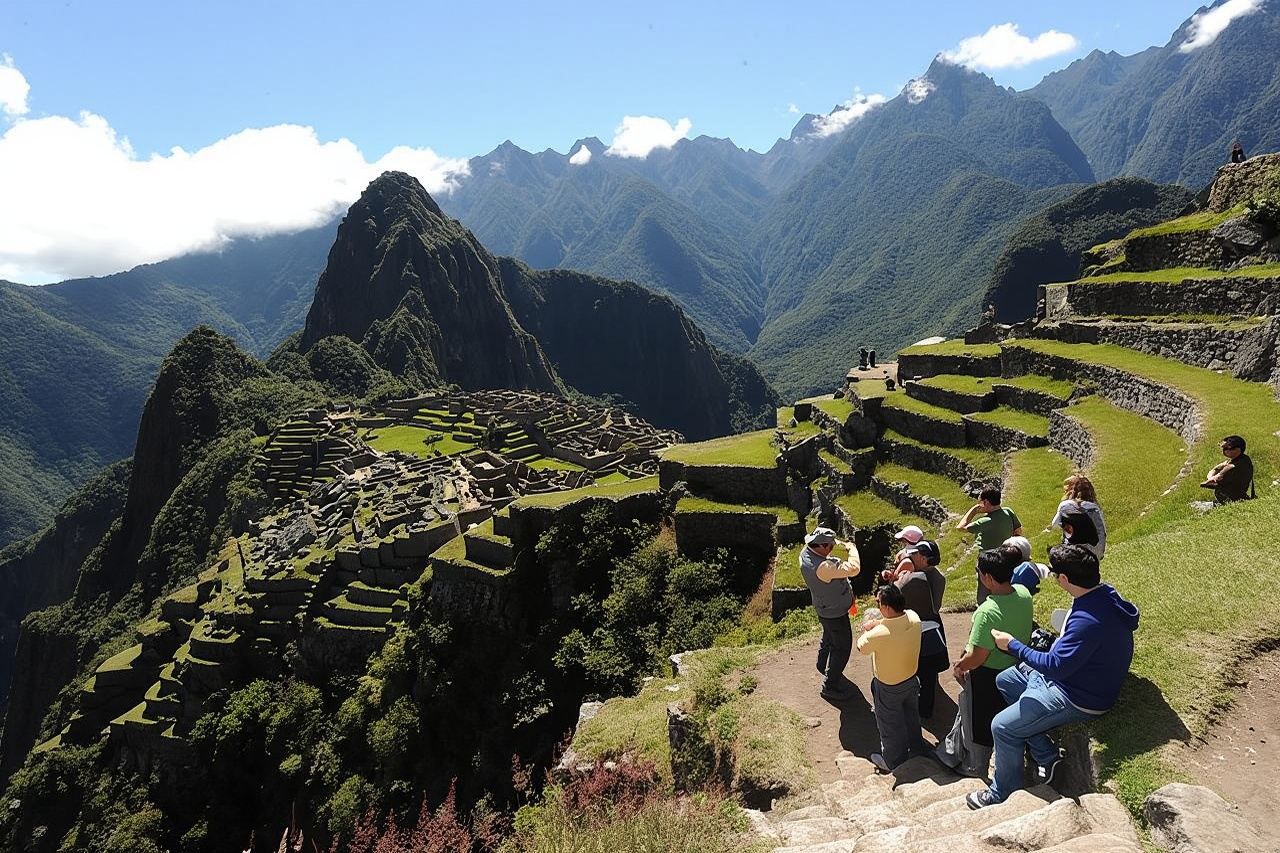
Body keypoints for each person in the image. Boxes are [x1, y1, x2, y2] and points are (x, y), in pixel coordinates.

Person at [966, 545, 1139, 809]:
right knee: (1005, 680)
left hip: (1078, 695)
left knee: (1002, 726)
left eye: (1056, 573)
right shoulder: (1103, 595)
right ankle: (1045, 755)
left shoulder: (1087, 621)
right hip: (1074, 677)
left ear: (1064, 580)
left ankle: (1002, 793)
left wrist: (1013, 646)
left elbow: (1056, 665)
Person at [937, 547, 1033, 777]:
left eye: (979, 571)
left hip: (989, 675)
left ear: (987, 577)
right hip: (1015, 669)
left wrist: (960, 667)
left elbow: (978, 656)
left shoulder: (987, 612)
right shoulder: (1023, 593)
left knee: (980, 721)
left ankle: (976, 768)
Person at [857, 583, 931, 771]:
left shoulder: (878, 634)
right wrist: (879, 623)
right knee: (911, 717)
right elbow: (894, 623)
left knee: (889, 724)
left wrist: (870, 628)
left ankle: (892, 761)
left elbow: (861, 646)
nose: (878, 606)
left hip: (888, 686)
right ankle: (917, 748)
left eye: (879, 603)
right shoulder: (913, 617)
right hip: (911, 679)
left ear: (886, 607)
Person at [800, 526, 862, 700]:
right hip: (835, 612)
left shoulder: (805, 554)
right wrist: (851, 548)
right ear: (821, 546)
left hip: (824, 608)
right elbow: (854, 569)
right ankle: (830, 686)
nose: (832, 549)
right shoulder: (824, 567)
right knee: (842, 647)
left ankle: (822, 665)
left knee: (829, 636)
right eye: (830, 546)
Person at [894, 540, 948, 718]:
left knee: (919, 669)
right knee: (929, 673)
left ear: (924, 559)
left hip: (920, 629)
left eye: (915, 553)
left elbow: (929, 607)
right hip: (931, 627)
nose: (911, 555)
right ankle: (926, 706)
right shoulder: (935, 576)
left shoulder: (918, 579)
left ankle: (919, 709)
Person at [957, 486, 1023, 603]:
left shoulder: (986, 521)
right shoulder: (1008, 512)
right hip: (1006, 557)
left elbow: (960, 527)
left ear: (986, 502)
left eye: (980, 502)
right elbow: (1018, 531)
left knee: (984, 593)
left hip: (987, 560)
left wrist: (974, 510)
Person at [1051, 474, 1107, 560]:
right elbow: (1102, 531)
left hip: (1072, 550)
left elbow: (1054, 525)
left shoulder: (1065, 506)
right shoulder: (1095, 508)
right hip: (1094, 552)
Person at [1202, 435, 1255, 503]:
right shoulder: (1240, 459)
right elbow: (1211, 473)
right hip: (1233, 498)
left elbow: (1213, 480)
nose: (1224, 451)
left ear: (1237, 449)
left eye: (1227, 448)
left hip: (1232, 500)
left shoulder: (1236, 465)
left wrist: (1214, 477)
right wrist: (1213, 474)